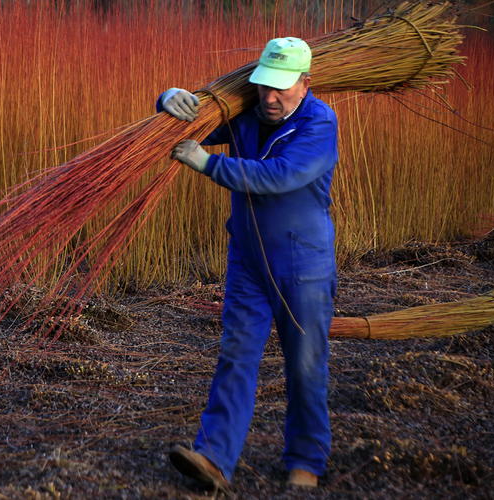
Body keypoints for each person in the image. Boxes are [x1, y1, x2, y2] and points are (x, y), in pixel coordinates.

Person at [160, 37, 338, 491]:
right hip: (248, 260)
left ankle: (305, 461)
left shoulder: (319, 124)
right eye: (264, 87)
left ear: (305, 84)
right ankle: (215, 458)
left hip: (303, 264)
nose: (271, 98)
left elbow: (278, 177)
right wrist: (168, 99)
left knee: (305, 364)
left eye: (281, 88)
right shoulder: (244, 112)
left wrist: (206, 164)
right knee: (236, 355)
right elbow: (191, 122)